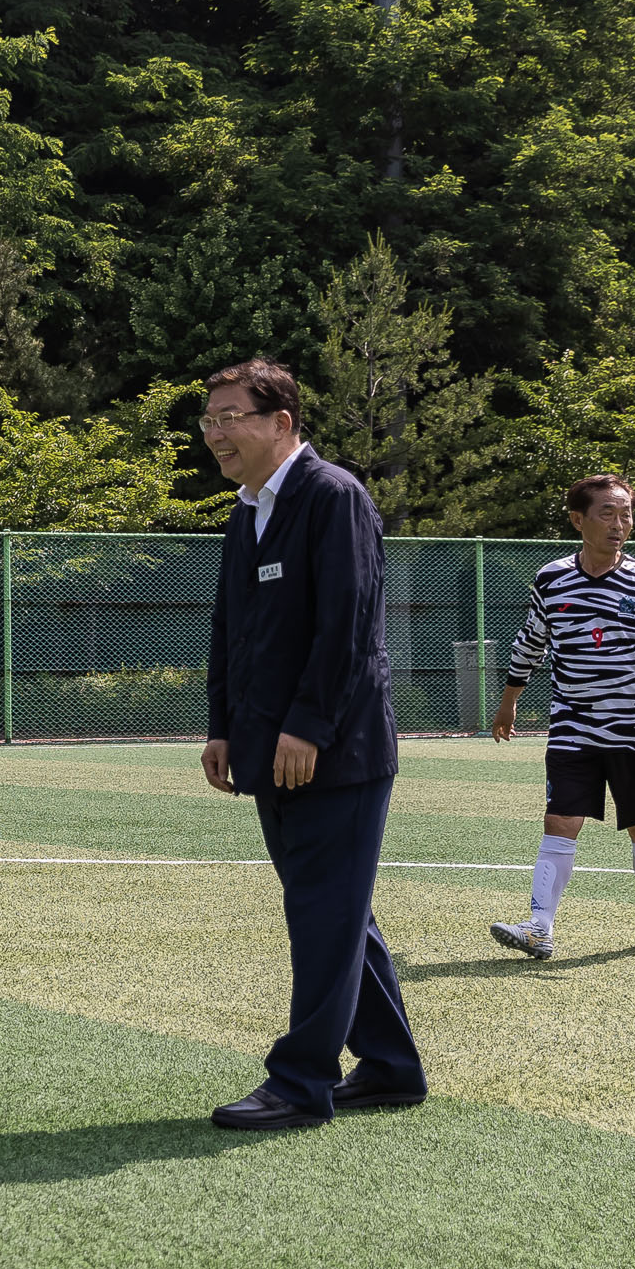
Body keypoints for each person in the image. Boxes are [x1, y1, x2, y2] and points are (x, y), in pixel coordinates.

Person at [199, 359, 425, 1130]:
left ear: (281, 422)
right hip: (268, 749)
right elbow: (232, 628)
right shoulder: (245, 511)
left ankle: (301, 1082)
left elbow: (351, 627)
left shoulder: (333, 497)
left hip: (337, 751)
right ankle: (391, 1068)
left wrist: (308, 725)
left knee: (324, 914)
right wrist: (222, 724)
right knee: (334, 910)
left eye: (231, 416)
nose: (216, 432)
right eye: (210, 419)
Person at [488, 476, 635, 957]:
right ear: (578, 520)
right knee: (560, 820)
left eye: (626, 515)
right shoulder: (551, 580)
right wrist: (509, 700)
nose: (620, 525)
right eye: (608, 514)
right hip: (573, 725)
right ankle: (538, 925)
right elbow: (531, 642)